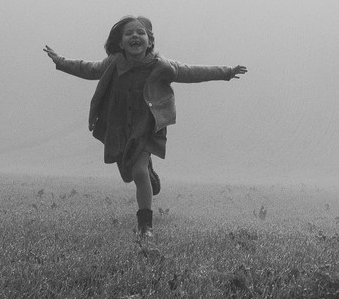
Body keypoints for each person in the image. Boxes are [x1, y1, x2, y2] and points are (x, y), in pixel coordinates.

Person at [43, 16, 246, 235]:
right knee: (128, 173)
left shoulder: (161, 67)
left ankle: (145, 226)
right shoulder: (113, 62)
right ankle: (149, 173)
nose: (135, 36)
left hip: (146, 127)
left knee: (137, 171)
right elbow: (88, 69)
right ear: (120, 43)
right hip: (119, 127)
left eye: (140, 33)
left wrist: (226, 72)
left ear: (150, 41)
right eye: (129, 33)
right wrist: (60, 61)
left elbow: (191, 72)